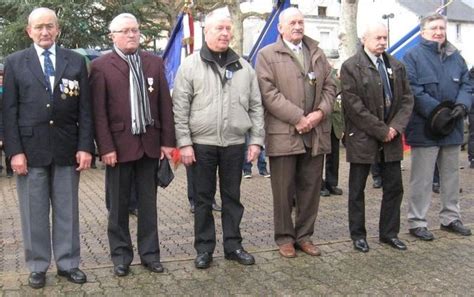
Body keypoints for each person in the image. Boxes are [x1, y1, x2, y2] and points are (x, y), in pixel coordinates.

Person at [2, 7, 94, 288]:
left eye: (50, 26)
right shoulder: (16, 62)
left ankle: (68, 264)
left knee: (68, 210)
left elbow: (85, 110)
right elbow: (8, 112)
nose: (45, 31)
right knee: (34, 213)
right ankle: (38, 265)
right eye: (39, 27)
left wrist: (85, 147)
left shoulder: (75, 62)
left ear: (58, 30)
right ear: (29, 31)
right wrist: (14, 152)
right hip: (29, 152)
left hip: (67, 148)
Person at [173, 12, 264, 269]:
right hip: (201, 144)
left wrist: (256, 141)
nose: (224, 33)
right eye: (219, 29)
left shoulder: (245, 67)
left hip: (235, 144)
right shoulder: (190, 66)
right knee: (203, 200)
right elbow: (179, 108)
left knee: (232, 197)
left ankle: (233, 245)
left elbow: (256, 107)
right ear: (207, 32)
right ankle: (204, 249)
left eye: (227, 28)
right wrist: (185, 143)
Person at [90, 13, 176, 276]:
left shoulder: (153, 62)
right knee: (118, 207)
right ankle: (121, 256)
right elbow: (98, 113)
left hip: (149, 145)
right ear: (112, 36)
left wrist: (167, 143)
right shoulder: (101, 66)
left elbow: (164, 105)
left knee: (148, 207)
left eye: (135, 30)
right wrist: (105, 148)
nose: (131, 35)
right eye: (125, 31)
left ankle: (150, 255)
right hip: (118, 147)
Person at [256, 7, 335, 258]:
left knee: (310, 189)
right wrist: (298, 118)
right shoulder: (267, 55)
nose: (298, 27)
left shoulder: (317, 53)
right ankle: (285, 238)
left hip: (315, 133)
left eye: (301, 22)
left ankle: (304, 236)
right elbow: (268, 93)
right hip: (284, 133)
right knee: (283, 190)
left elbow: (331, 87)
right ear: (280, 28)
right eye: (292, 23)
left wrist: (319, 113)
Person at [340, 22, 414, 253]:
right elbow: (353, 106)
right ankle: (358, 235)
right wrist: (382, 130)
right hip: (363, 136)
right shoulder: (351, 66)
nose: (382, 42)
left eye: (385, 37)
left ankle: (389, 233)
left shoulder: (397, 65)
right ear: (365, 39)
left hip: (391, 138)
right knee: (357, 189)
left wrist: (394, 128)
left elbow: (407, 100)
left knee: (394, 187)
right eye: (377, 38)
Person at [403, 13, 472, 240]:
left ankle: (451, 218)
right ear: (423, 32)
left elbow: (467, 84)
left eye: (442, 28)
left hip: (452, 126)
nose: (438, 32)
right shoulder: (412, 57)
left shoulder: (457, 57)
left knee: (451, 176)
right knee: (422, 179)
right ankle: (417, 221)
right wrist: (439, 112)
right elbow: (413, 89)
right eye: (433, 28)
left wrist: (462, 105)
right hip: (425, 127)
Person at [321, 67, 344, 196]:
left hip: (335, 125)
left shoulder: (339, 83)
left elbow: (342, 106)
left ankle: (332, 184)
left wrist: (343, 127)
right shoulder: (317, 82)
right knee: (318, 158)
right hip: (321, 124)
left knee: (334, 157)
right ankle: (319, 186)